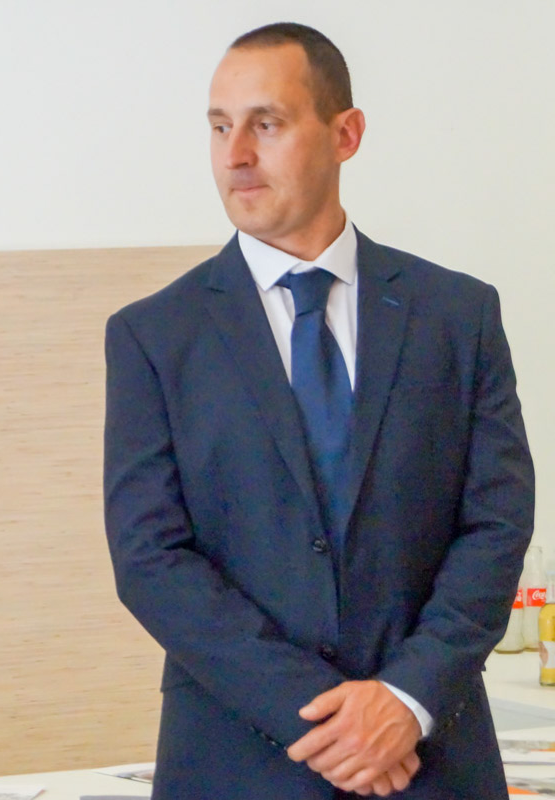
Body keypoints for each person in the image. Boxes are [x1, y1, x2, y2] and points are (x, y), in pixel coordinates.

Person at [103, 22, 534, 799]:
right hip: (237, 761)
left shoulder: (456, 315)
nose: (236, 155)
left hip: (430, 758)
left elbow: (497, 523)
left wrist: (406, 698)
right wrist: (326, 721)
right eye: (219, 127)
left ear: (346, 135)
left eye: (265, 124)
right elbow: (151, 560)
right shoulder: (154, 336)